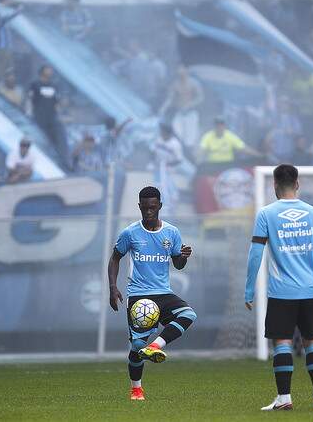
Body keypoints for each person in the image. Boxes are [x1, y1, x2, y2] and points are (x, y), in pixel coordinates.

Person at [244, 164, 313, 411]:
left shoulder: (266, 214)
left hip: (281, 292)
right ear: (297, 184)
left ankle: (284, 399)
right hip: (310, 290)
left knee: (282, 343)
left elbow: (255, 255)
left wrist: (249, 290)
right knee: (312, 341)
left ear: (274, 185)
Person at [108, 186, 195, 401]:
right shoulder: (130, 233)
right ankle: (136, 389)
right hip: (139, 295)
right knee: (137, 347)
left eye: (153, 208)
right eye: (145, 208)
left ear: (160, 207)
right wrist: (113, 287)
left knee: (188, 314)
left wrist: (183, 256)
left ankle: (156, 346)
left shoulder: (171, 232)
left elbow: (178, 264)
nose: (149, 212)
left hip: (163, 292)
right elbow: (115, 258)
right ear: (139, 207)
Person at [159, 66, 204, 150]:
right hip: (178, 111)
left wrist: (190, 104)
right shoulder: (176, 84)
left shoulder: (194, 83)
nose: (181, 75)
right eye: (179, 74)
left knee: (189, 136)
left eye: (182, 73)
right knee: (175, 131)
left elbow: (200, 97)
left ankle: (186, 151)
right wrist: (163, 108)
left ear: (186, 72)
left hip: (190, 113)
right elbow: (170, 98)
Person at [27, 65, 65, 162]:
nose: (50, 72)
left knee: (54, 138)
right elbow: (29, 100)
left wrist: (59, 115)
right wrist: (29, 113)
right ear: (42, 71)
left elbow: (56, 102)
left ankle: (57, 158)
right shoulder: (35, 84)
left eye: (50, 70)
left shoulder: (53, 86)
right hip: (39, 117)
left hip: (51, 118)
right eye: (48, 70)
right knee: (41, 138)